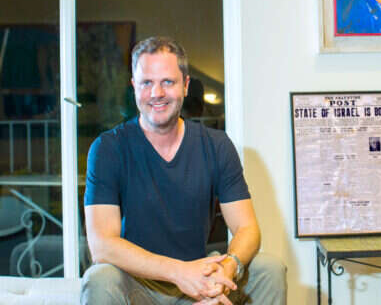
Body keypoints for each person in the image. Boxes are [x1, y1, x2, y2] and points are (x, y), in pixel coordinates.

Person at [81, 37, 286, 305]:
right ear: (134, 86)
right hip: (138, 282)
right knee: (100, 278)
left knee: (269, 270)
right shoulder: (108, 148)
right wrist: (178, 272)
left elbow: (247, 228)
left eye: (167, 82)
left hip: (200, 274)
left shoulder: (216, 145)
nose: (156, 93)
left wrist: (226, 271)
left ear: (186, 85)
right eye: (146, 83)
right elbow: (102, 245)